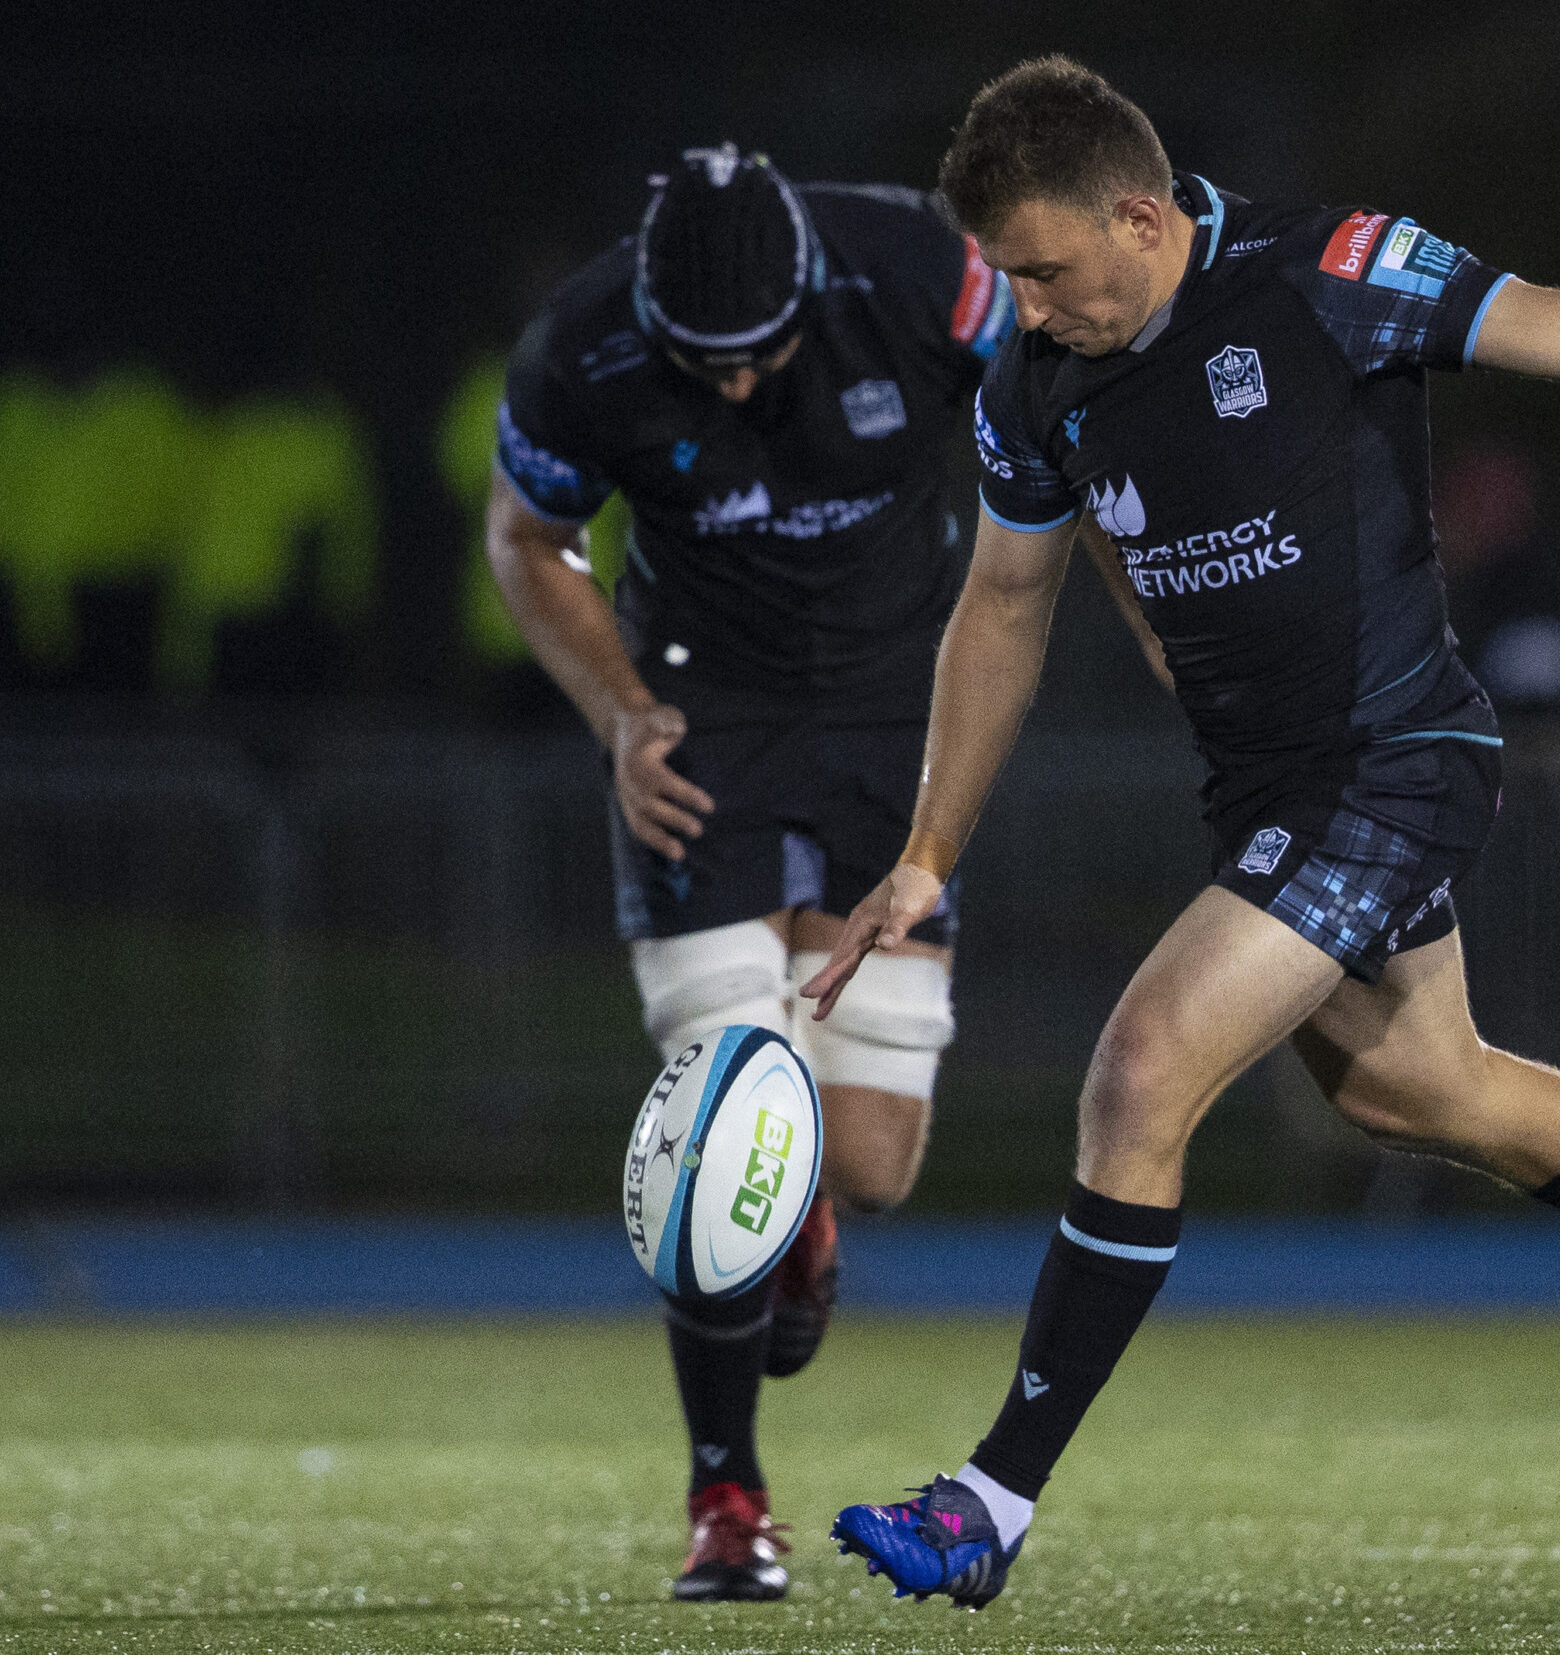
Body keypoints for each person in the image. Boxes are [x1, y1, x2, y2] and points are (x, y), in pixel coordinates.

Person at [803, 57, 1560, 1608]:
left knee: (1142, 1068)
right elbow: (1001, 606)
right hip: (1264, 791)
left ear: (1139, 216)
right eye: (1008, 278)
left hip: (1396, 762)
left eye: (1044, 271)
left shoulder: (1329, 273)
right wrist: (926, 855)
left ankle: (989, 1504)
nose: (1028, 307)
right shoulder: (1033, 384)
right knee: (1421, 1087)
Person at [485, 141, 1018, 1602]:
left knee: (870, 1163)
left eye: (755, 355)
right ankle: (726, 1496)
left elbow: (1068, 404)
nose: (727, 386)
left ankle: (807, 1218)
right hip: (699, 714)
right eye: (697, 360)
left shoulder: (924, 274)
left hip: (897, 719)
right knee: (718, 1111)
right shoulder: (580, 348)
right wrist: (621, 716)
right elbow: (527, 539)